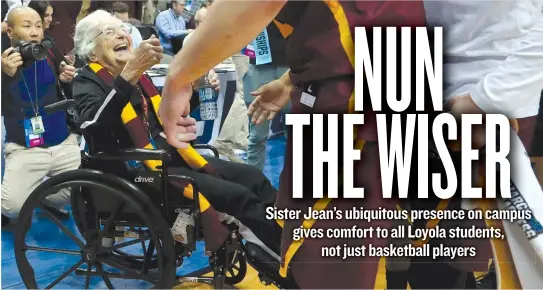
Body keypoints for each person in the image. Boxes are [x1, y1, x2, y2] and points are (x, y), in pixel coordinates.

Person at [158, 1, 430, 288]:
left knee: (326, 265)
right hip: (372, 80)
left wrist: (177, 77)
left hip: (358, 94)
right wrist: (291, 81)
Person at [72, 10, 282, 258]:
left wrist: (195, 87)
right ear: (91, 51)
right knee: (238, 197)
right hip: (137, 172)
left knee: (252, 177)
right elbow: (94, 125)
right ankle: (282, 255)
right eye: (109, 32)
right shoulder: (87, 81)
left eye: (122, 30)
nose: (121, 35)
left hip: (172, 157)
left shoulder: (137, 76)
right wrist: (129, 75)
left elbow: (167, 115)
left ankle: (286, 235)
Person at [1, 7, 80, 222]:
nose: (35, 32)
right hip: (25, 149)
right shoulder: (3, 63)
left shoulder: (49, 51)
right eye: (26, 26)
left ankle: (44, 197)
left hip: (62, 144)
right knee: (11, 207)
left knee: (85, 191)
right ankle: (28, 192)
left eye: (38, 26)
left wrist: (66, 79)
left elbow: (66, 92)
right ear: (9, 32)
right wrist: (5, 76)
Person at [242, 20, 290, 171]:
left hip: (292, 63)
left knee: (297, 133)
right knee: (257, 134)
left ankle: (299, 186)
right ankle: (255, 186)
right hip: (260, 63)